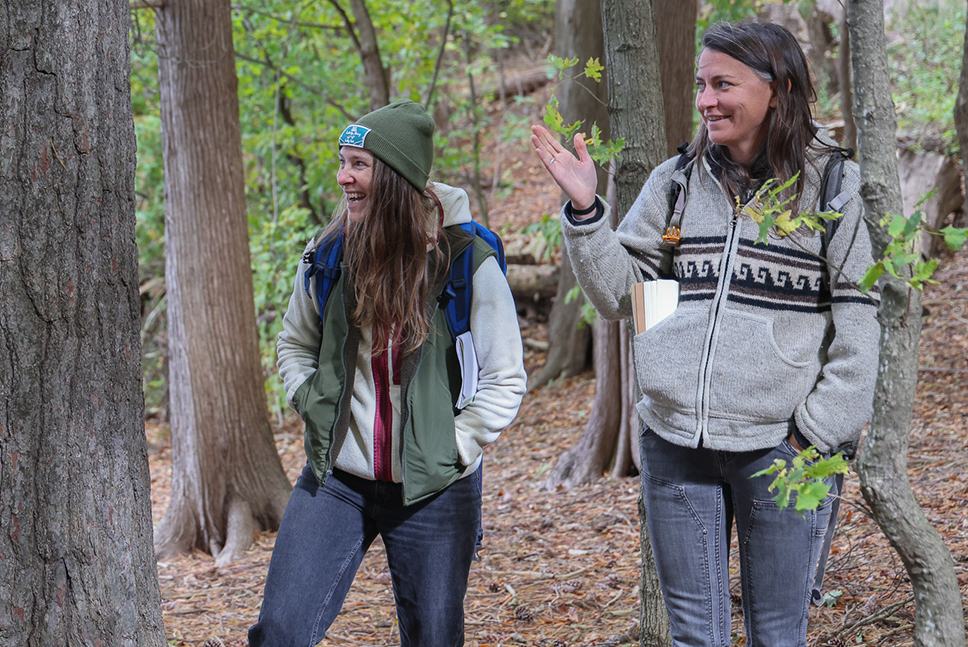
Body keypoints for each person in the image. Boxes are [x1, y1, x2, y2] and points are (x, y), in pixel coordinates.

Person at [531, 21, 878, 647]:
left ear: (781, 89)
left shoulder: (831, 186)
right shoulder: (678, 181)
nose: (705, 100)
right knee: (696, 637)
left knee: (777, 634)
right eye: (701, 84)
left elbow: (858, 316)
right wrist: (586, 213)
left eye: (724, 84)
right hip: (674, 441)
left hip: (781, 451)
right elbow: (622, 297)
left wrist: (814, 433)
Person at [250, 99, 527, 647]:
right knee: (279, 631)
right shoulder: (328, 252)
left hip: (435, 486)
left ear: (396, 177)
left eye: (359, 165)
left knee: (433, 637)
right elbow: (294, 342)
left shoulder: (466, 261)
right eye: (341, 161)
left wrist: (454, 445)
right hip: (339, 480)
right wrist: (313, 401)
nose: (342, 177)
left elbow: (505, 378)